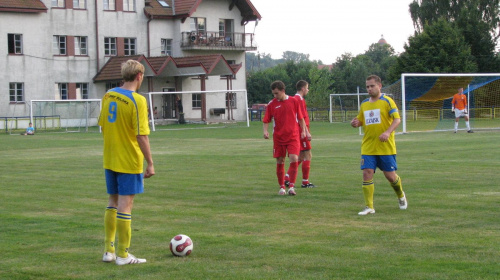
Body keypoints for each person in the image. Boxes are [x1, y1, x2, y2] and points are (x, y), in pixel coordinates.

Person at [98, 60, 155, 265]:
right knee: (125, 205)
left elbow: (103, 126)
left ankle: (108, 251)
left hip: (110, 157)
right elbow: (141, 135)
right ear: (139, 76)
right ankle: (123, 254)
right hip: (128, 159)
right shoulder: (137, 100)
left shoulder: (108, 95)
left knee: (112, 202)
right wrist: (150, 162)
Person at [350, 75, 407, 215]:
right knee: (367, 173)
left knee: (390, 176)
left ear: (379, 86)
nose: (369, 89)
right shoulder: (364, 104)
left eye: (372, 86)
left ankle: (401, 195)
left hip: (385, 147)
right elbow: (362, 120)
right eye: (367, 86)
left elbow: (397, 120)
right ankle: (369, 206)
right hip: (368, 146)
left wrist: (387, 132)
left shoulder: (388, 101)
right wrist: (356, 123)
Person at [263, 80, 307, 196]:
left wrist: (303, 131)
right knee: (280, 160)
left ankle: (291, 187)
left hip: (293, 136)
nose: (275, 96)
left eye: (277, 93)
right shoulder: (272, 104)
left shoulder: (293, 101)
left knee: (294, 158)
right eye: (273, 94)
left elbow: (301, 118)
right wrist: (265, 131)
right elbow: (266, 119)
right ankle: (282, 187)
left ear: (283, 91)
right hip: (278, 138)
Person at [285, 80, 315, 188]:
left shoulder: (295, 99)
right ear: (303, 88)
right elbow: (300, 117)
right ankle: (305, 182)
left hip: (299, 131)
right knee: (308, 155)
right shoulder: (299, 100)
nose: (308, 90)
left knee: (301, 156)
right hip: (301, 131)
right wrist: (305, 132)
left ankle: (287, 177)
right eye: (307, 88)